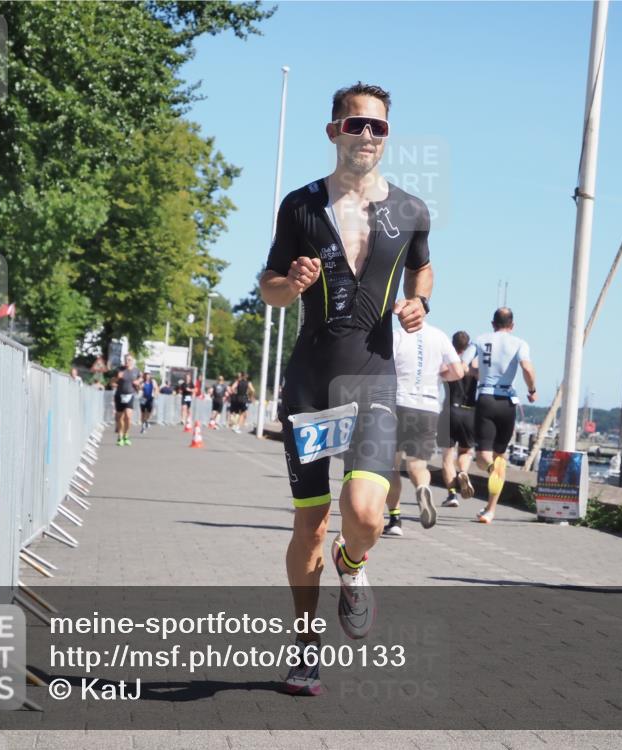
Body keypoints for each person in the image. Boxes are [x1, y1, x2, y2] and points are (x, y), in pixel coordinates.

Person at [259, 82, 432, 695]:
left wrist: (419, 302)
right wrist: (292, 283)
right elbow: (268, 287)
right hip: (311, 381)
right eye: (356, 125)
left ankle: (353, 563)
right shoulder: (301, 206)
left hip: (373, 377)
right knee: (309, 525)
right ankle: (305, 647)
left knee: (365, 512)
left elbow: (422, 265)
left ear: (387, 137)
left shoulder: (409, 210)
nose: (367, 136)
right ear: (333, 131)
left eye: (378, 127)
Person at [383, 322, 465, 536]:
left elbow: (383, 367)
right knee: (418, 466)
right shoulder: (439, 336)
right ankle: (422, 489)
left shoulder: (398, 336)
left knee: (392, 466)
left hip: (400, 403)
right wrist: (440, 377)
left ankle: (395, 520)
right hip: (428, 407)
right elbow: (458, 371)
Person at [464, 308, 537, 523]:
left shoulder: (480, 340)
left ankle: (490, 470)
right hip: (507, 402)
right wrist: (532, 390)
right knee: (500, 458)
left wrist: (477, 373)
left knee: (482, 458)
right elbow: (527, 367)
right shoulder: (520, 343)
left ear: (492, 323)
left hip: (486, 398)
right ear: (512, 325)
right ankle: (490, 510)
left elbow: (464, 365)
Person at [440, 331, 478, 507]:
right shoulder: (474, 365)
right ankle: (463, 471)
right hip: (470, 412)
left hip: (449, 410)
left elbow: (438, 375)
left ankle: (452, 495)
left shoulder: (449, 363)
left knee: (447, 457)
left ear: (452, 344)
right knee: (465, 452)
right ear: (468, 345)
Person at [111, 354, 142, 446]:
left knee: (128, 417)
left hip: (130, 395)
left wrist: (138, 381)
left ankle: (126, 435)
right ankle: (120, 437)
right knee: (120, 417)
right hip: (120, 395)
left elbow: (141, 378)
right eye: (126, 360)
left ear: (132, 361)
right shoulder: (119, 370)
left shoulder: (136, 370)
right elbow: (112, 381)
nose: (127, 361)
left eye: (129, 360)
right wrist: (117, 378)